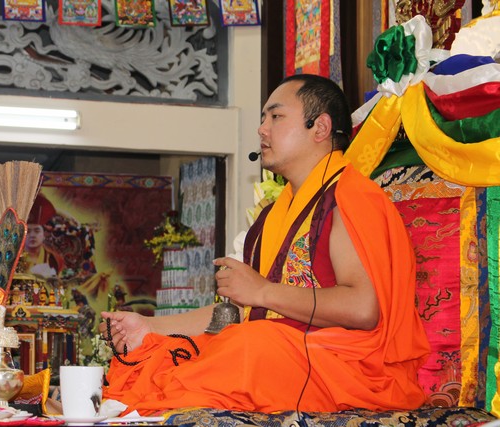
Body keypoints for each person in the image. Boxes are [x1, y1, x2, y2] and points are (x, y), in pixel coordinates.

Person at [99, 74, 430, 415]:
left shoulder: (349, 196)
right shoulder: (273, 215)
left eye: (276, 116)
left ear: (320, 127)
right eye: (262, 118)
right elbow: (239, 312)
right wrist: (151, 327)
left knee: (247, 345)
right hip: (274, 355)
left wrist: (263, 292)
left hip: (348, 368)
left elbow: (363, 309)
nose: (262, 129)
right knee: (161, 355)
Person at [25, 193, 64, 274]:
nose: (32, 235)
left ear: (44, 234)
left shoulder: (54, 260)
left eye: (37, 231)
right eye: (28, 231)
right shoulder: (13, 257)